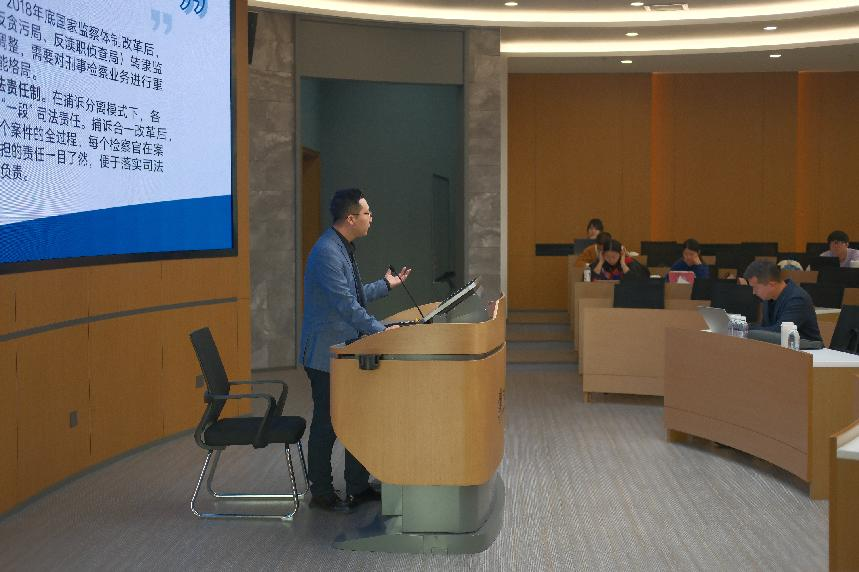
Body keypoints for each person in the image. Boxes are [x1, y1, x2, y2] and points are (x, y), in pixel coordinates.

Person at [300, 188, 412, 512]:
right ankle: (321, 493)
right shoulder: (327, 252)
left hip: (346, 350)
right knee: (328, 423)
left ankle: (358, 486)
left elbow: (353, 295)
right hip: (325, 354)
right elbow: (346, 306)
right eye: (367, 213)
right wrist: (381, 331)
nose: (371, 218)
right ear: (351, 218)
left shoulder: (341, 246)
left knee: (357, 418)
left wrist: (385, 285)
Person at [741, 259, 821, 342]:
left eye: (755, 287)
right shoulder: (769, 297)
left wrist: (746, 328)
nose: (754, 292)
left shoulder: (797, 299)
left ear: (771, 284)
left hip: (808, 347)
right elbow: (765, 328)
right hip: (782, 346)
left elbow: (779, 332)